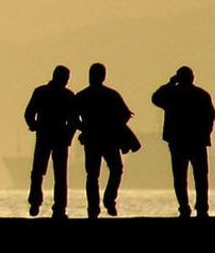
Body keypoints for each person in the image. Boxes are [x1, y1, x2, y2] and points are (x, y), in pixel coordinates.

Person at [151, 66, 215, 218]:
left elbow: (156, 98)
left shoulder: (172, 94)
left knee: (181, 177)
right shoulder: (200, 94)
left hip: (178, 140)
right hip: (196, 141)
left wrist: (170, 84)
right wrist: (206, 133)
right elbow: (211, 116)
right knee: (200, 177)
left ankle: (185, 207)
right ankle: (201, 207)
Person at [72, 62, 134, 219]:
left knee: (92, 175)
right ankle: (109, 200)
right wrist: (116, 127)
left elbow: (72, 118)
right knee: (115, 169)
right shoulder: (111, 95)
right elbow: (125, 114)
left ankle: (93, 209)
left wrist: (84, 128)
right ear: (103, 76)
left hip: (92, 139)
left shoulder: (82, 95)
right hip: (109, 139)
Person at [23, 65, 77, 218]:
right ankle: (58, 208)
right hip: (57, 136)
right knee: (59, 175)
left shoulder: (41, 92)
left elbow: (28, 114)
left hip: (45, 135)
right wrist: (68, 137)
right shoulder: (67, 95)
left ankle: (36, 202)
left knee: (39, 172)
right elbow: (73, 121)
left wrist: (33, 125)